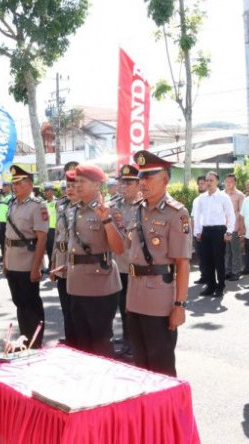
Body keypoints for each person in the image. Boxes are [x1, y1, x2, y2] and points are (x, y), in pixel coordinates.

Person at [125, 150, 191, 376]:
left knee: (161, 366)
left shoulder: (176, 213)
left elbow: (182, 263)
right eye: (141, 177)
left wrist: (180, 305)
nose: (143, 182)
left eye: (149, 177)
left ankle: (169, 412)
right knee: (140, 364)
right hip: (134, 296)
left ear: (165, 179)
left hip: (160, 299)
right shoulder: (136, 210)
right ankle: (146, 411)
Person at [66, 162, 124, 356]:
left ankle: (104, 383)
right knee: (82, 342)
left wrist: (106, 220)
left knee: (100, 342)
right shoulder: (73, 209)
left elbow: (119, 248)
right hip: (76, 283)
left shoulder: (109, 210)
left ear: (97, 185)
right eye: (76, 181)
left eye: (82, 181)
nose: (77, 185)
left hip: (100, 284)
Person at [2, 165, 48, 348]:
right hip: (13, 262)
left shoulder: (38, 206)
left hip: (28, 263)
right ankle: (24, 340)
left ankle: (35, 343)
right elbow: (7, 237)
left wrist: (36, 267)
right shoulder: (12, 204)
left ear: (29, 185)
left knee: (32, 305)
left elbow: (42, 239)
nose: (15, 186)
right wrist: (5, 262)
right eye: (13, 183)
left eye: (19, 183)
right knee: (20, 304)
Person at [110, 164, 141, 356]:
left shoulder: (144, 206)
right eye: (122, 182)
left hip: (138, 266)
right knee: (122, 304)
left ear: (138, 184)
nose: (123, 186)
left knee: (136, 306)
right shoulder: (114, 206)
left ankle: (136, 341)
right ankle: (128, 339)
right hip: (119, 265)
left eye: (128, 182)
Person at [193, 172, 235, 297]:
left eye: (211, 180)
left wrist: (229, 231)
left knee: (218, 260)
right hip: (205, 231)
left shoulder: (223, 197)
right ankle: (210, 286)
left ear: (217, 181)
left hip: (219, 231)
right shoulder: (201, 198)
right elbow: (198, 216)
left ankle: (220, 286)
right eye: (207, 180)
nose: (208, 183)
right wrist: (197, 231)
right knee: (207, 261)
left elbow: (230, 215)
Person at [50, 161, 79, 346]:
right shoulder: (61, 204)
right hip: (61, 260)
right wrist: (53, 262)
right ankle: (70, 338)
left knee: (77, 307)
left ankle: (79, 341)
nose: (70, 188)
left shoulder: (87, 206)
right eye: (67, 184)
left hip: (76, 263)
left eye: (74, 183)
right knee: (65, 305)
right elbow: (57, 235)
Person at [223, 174, 244, 281]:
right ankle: (227, 271)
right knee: (226, 251)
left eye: (231, 181)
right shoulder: (221, 194)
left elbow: (242, 213)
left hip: (235, 227)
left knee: (235, 251)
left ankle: (236, 272)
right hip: (223, 228)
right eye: (226, 181)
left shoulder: (240, 195)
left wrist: (241, 228)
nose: (228, 183)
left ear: (235, 182)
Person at [0, 182, 13, 261]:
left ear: (9, 187)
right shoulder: (2, 197)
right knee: (2, 241)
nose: (3, 187)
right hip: (0, 222)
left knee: (7, 241)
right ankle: (3, 256)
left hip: (7, 223)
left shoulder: (12, 197)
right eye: (3, 186)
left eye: (5, 186)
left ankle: (8, 257)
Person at [43, 183, 57, 273]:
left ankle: (54, 266)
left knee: (54, 250)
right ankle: (50, 265)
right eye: (45, 191)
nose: (46, 192)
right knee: (48, 249)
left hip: (55, 230)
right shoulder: (44, 203)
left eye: (47, 190)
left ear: (52, 191)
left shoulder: (57, 202)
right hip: (46, 230)